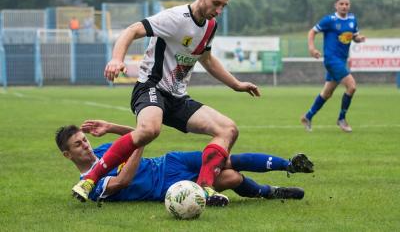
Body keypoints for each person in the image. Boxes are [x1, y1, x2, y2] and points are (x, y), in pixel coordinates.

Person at [72, 0, 260, 206]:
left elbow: (207, 59)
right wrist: (116, 59)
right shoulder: (174, 18)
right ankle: (91, 178)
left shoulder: (210, 25)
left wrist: (236, 85)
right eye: (216, 3)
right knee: (150, 130)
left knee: (228, 129)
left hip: (177, 99)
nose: (219, 10)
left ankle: (204, 188)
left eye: (223, 5)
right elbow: (132, 30)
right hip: (151, 88)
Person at [58, 120, 314, 205]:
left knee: (225, 159)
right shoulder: (88, 186)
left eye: (84, 140)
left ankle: (289, 164)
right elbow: (123, 181)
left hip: (170, 161)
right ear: (67, 155)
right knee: (232, 177)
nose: (86, 145)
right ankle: (271, 192)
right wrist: (141, 142)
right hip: (168, 186)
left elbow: (133, 134)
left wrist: (111, 127)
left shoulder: (104, 149)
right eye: (78, 145)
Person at [301, 0, 366, 132]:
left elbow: (354, 36)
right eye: (341, 4)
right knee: (352, 86)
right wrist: (312, 48)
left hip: (342, 61)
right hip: (331, 60)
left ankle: (308, 116)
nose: (344, 6)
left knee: (327, 93)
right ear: (336, 5)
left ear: (349, 5)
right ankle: (341, 119)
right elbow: (312, 32)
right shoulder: (329, 20)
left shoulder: (352, 20)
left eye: (347, 4)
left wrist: (359, 39)